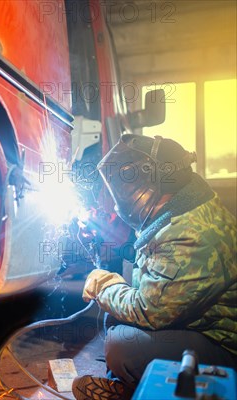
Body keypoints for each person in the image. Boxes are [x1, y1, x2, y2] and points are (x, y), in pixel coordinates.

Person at [71, 134, 237, 400]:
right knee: (116, 315)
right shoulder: (185, 205)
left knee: (121, 345)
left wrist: (101, 284)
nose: (119, 201)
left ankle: (134, 390)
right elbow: (154, 261)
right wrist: (115, 236)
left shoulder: (191, 235)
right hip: (199, 326)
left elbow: (148, 309)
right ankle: (130, 383)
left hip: (223, 348)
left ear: (154, 183)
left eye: (126, 189)